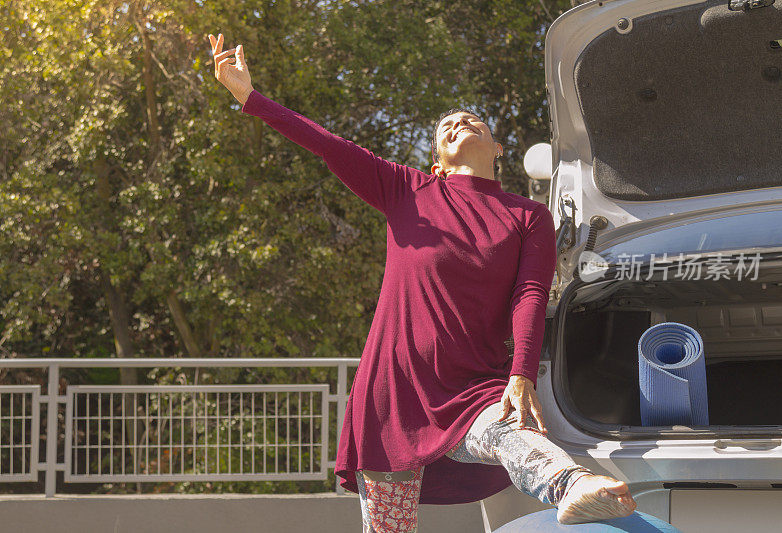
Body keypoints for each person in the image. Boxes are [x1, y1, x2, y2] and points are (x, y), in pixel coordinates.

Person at [208, 33, 637, 531]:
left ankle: (573, 487)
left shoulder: (528, 216)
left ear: (497, 147)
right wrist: (249, 97)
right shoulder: (408, 190)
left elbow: (530, 295)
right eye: (446, 127)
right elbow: (327, 145)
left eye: (471, 120)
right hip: (390, 396)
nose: (458, 122)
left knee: (510, 429)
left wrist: (521, 373)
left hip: (471, 386)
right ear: (436, 162)